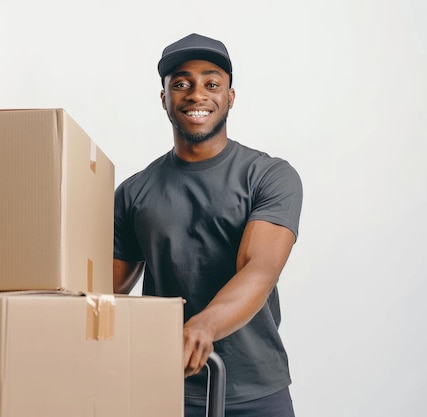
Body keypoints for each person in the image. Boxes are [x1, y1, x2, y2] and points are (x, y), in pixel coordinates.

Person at [113, 33, 303, 417]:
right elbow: (102, 291)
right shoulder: (134, 192)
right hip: (165, 390)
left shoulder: (268, 176)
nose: (196, 93)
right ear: (165, 98)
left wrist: (204, 326)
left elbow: (260, 268)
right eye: (181, 83)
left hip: (255, 392)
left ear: (230, 96)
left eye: (211, 83)